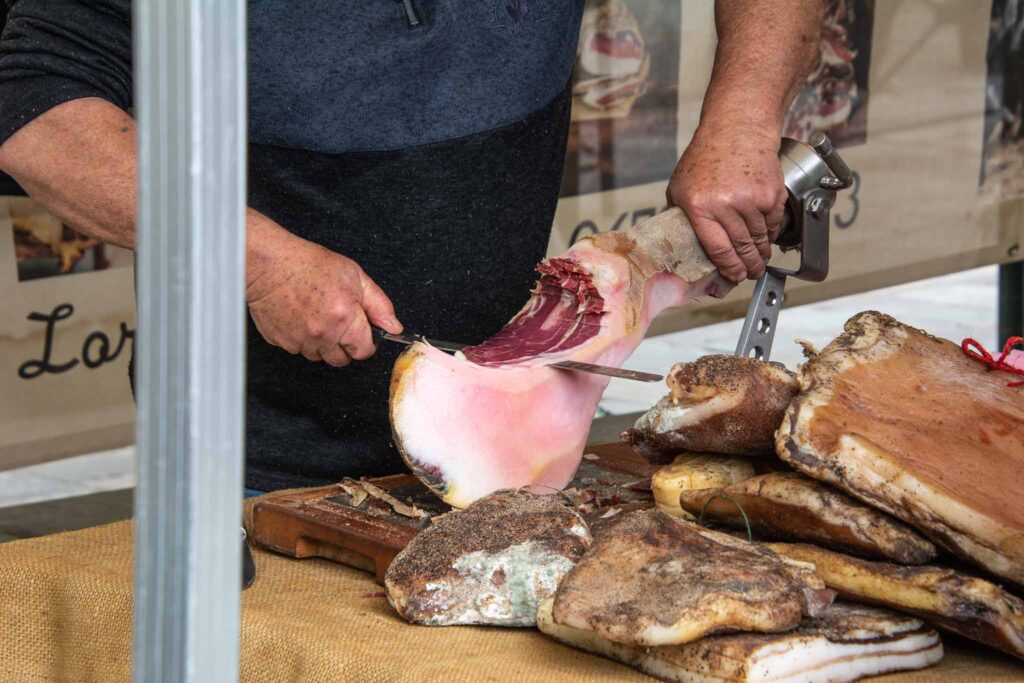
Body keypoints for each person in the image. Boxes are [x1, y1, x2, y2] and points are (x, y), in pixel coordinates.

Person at [0, 1, 821, 493]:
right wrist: (252, 257)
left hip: (523, 432)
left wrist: (744, 118)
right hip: (255, 462)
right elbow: (30, 100)